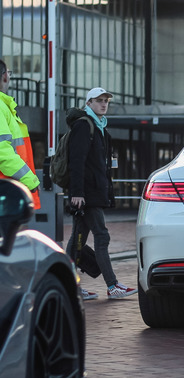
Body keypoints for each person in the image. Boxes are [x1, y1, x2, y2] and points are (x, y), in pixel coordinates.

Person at [65, 87, 137, 300]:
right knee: (101, 235)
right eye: (99, 100)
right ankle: (112, 285)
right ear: (88, 104)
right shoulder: (83, 126)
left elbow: (101, 166)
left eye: (106, 100)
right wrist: (77, 193)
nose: (104, 104)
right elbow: (76, 162)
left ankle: (70, 287)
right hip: (87, 194)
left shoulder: (101, 129)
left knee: (77, 240)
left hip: (94, 192)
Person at [0, 59, 40, 208]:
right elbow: (2, 152)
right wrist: (29, 180)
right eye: (9, 73)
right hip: (6, 192)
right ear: (4, 76)